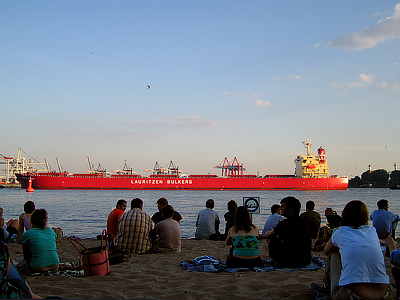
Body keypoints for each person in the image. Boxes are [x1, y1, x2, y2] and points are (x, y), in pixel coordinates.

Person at [324, 200, 395, 300]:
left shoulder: (340, 232)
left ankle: (326, 286)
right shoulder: (372, 231)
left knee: (333, 254)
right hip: (386, 295)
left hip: (352, 295)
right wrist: (386, 243)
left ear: (344, 215)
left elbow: (326, 251)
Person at [265, 196, 311, 268]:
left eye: (283, 206)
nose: (280, 208)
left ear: (291, 209)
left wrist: (267, 232)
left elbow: (268, 235)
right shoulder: (304, 222)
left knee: (273, 239)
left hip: (288, 262)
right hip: (305, 260)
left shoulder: (284, 224)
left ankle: (272, 259)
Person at [20, 209, 59, 274]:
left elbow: (26, 257)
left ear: (32, 221)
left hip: (38, 268)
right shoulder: (51, 231)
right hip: (55, 267)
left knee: (21, 264)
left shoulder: (27, 234)